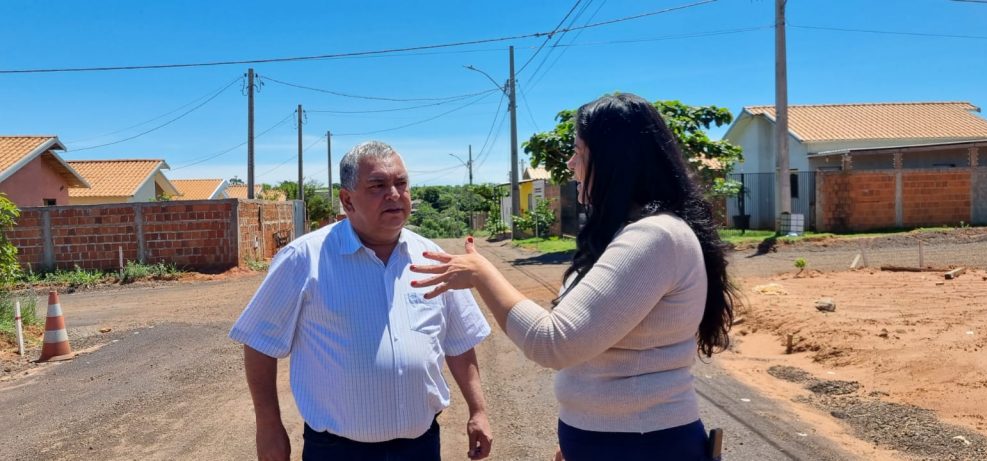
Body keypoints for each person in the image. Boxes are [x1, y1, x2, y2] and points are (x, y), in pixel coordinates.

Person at [411, 93, 735, 460]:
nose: (570, 163)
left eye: (579, 152)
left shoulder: (656, 237)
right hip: (615, 440)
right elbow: (596, 344)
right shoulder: (630, 235)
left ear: (614, 161)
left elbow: (554, 343)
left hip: (642, 443)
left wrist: (483, 273)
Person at [230, 141, 494, 461]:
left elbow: (459, 339)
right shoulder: (303, 259)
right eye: (378, 186)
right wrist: (269, 426)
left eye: (401, 184)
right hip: (337, 451)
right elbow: (259, 342)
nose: (394, 195)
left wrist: (478, 410)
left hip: (420, 447)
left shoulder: (434, 258)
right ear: (347, 200)